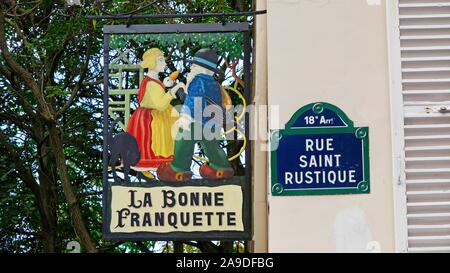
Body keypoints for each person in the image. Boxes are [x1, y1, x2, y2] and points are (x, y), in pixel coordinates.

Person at [157, 48, 234, 182]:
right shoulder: (213, 84)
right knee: (212, 147)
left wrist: (187, 117)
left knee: (183, 140)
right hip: (212, 122)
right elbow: (195, 98)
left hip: (196, 120)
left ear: (201, 68)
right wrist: (175, 86)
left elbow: (194, 99)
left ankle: (178, 169)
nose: (191, 69)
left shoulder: (197, 80)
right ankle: (220, 167)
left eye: (193, 66)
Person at [127, 48, 184, 171]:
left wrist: (166, 85)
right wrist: (175, 89)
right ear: (152, 63)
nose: (164, 63)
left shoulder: (153, 81)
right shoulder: (151, 84)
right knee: (157, 145)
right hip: (153, 119)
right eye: (160, 60)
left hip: (153, 116)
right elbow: (160, 105)